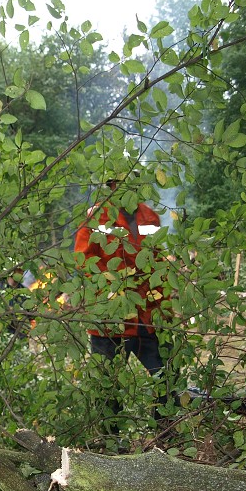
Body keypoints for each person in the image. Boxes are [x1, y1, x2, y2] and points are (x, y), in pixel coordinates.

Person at [74, 172, 175, 417]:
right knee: (107, 385)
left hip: (148, 316)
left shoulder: (149, 216)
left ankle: (167, 434)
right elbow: (82, 261)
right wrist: (114, 284)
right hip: (111, 321)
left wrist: (166, 306)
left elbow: (158, 261)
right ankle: (110, 443)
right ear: (111, 186)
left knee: (168, 376)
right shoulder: (97, 216)